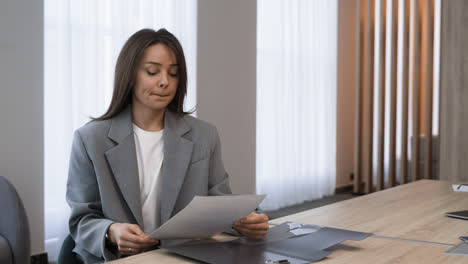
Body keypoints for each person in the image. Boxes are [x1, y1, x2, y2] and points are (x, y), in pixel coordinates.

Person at [66, 28, 269, 263]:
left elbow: (220, 203)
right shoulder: (90, 139)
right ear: (129, 75)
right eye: (152, 71)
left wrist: (247, 221)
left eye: (173, 74)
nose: (164, 82)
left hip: (184, 257)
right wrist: (111, 231)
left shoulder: (204, 135)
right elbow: (82, 218)